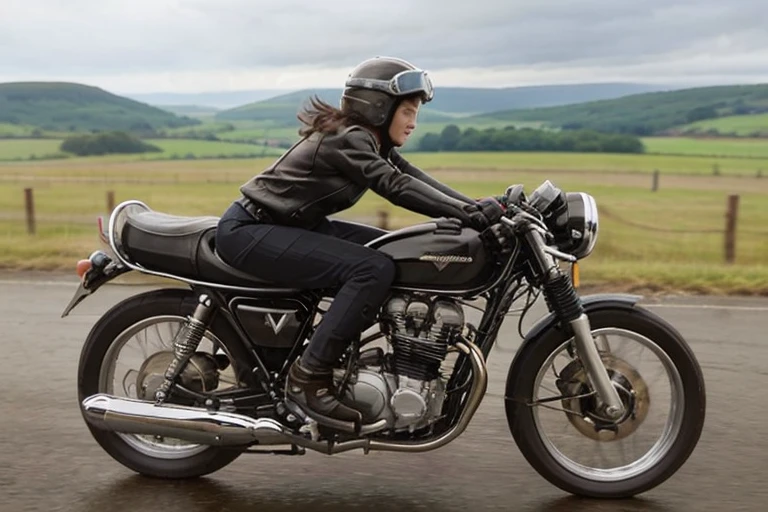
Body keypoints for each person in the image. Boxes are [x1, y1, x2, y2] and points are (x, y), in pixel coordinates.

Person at [215, 56, 504, 433]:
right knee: (372, 268)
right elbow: (395, 186)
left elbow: (412, 175)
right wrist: (470, 215)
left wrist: (478, 207)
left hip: (286, 226)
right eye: (408, 111)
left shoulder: (365, 138)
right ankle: (309, 377)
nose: (413, 122)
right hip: (251, 230)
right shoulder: (349, 138)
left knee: (393, 252)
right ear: (379, 108)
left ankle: (357, 360)